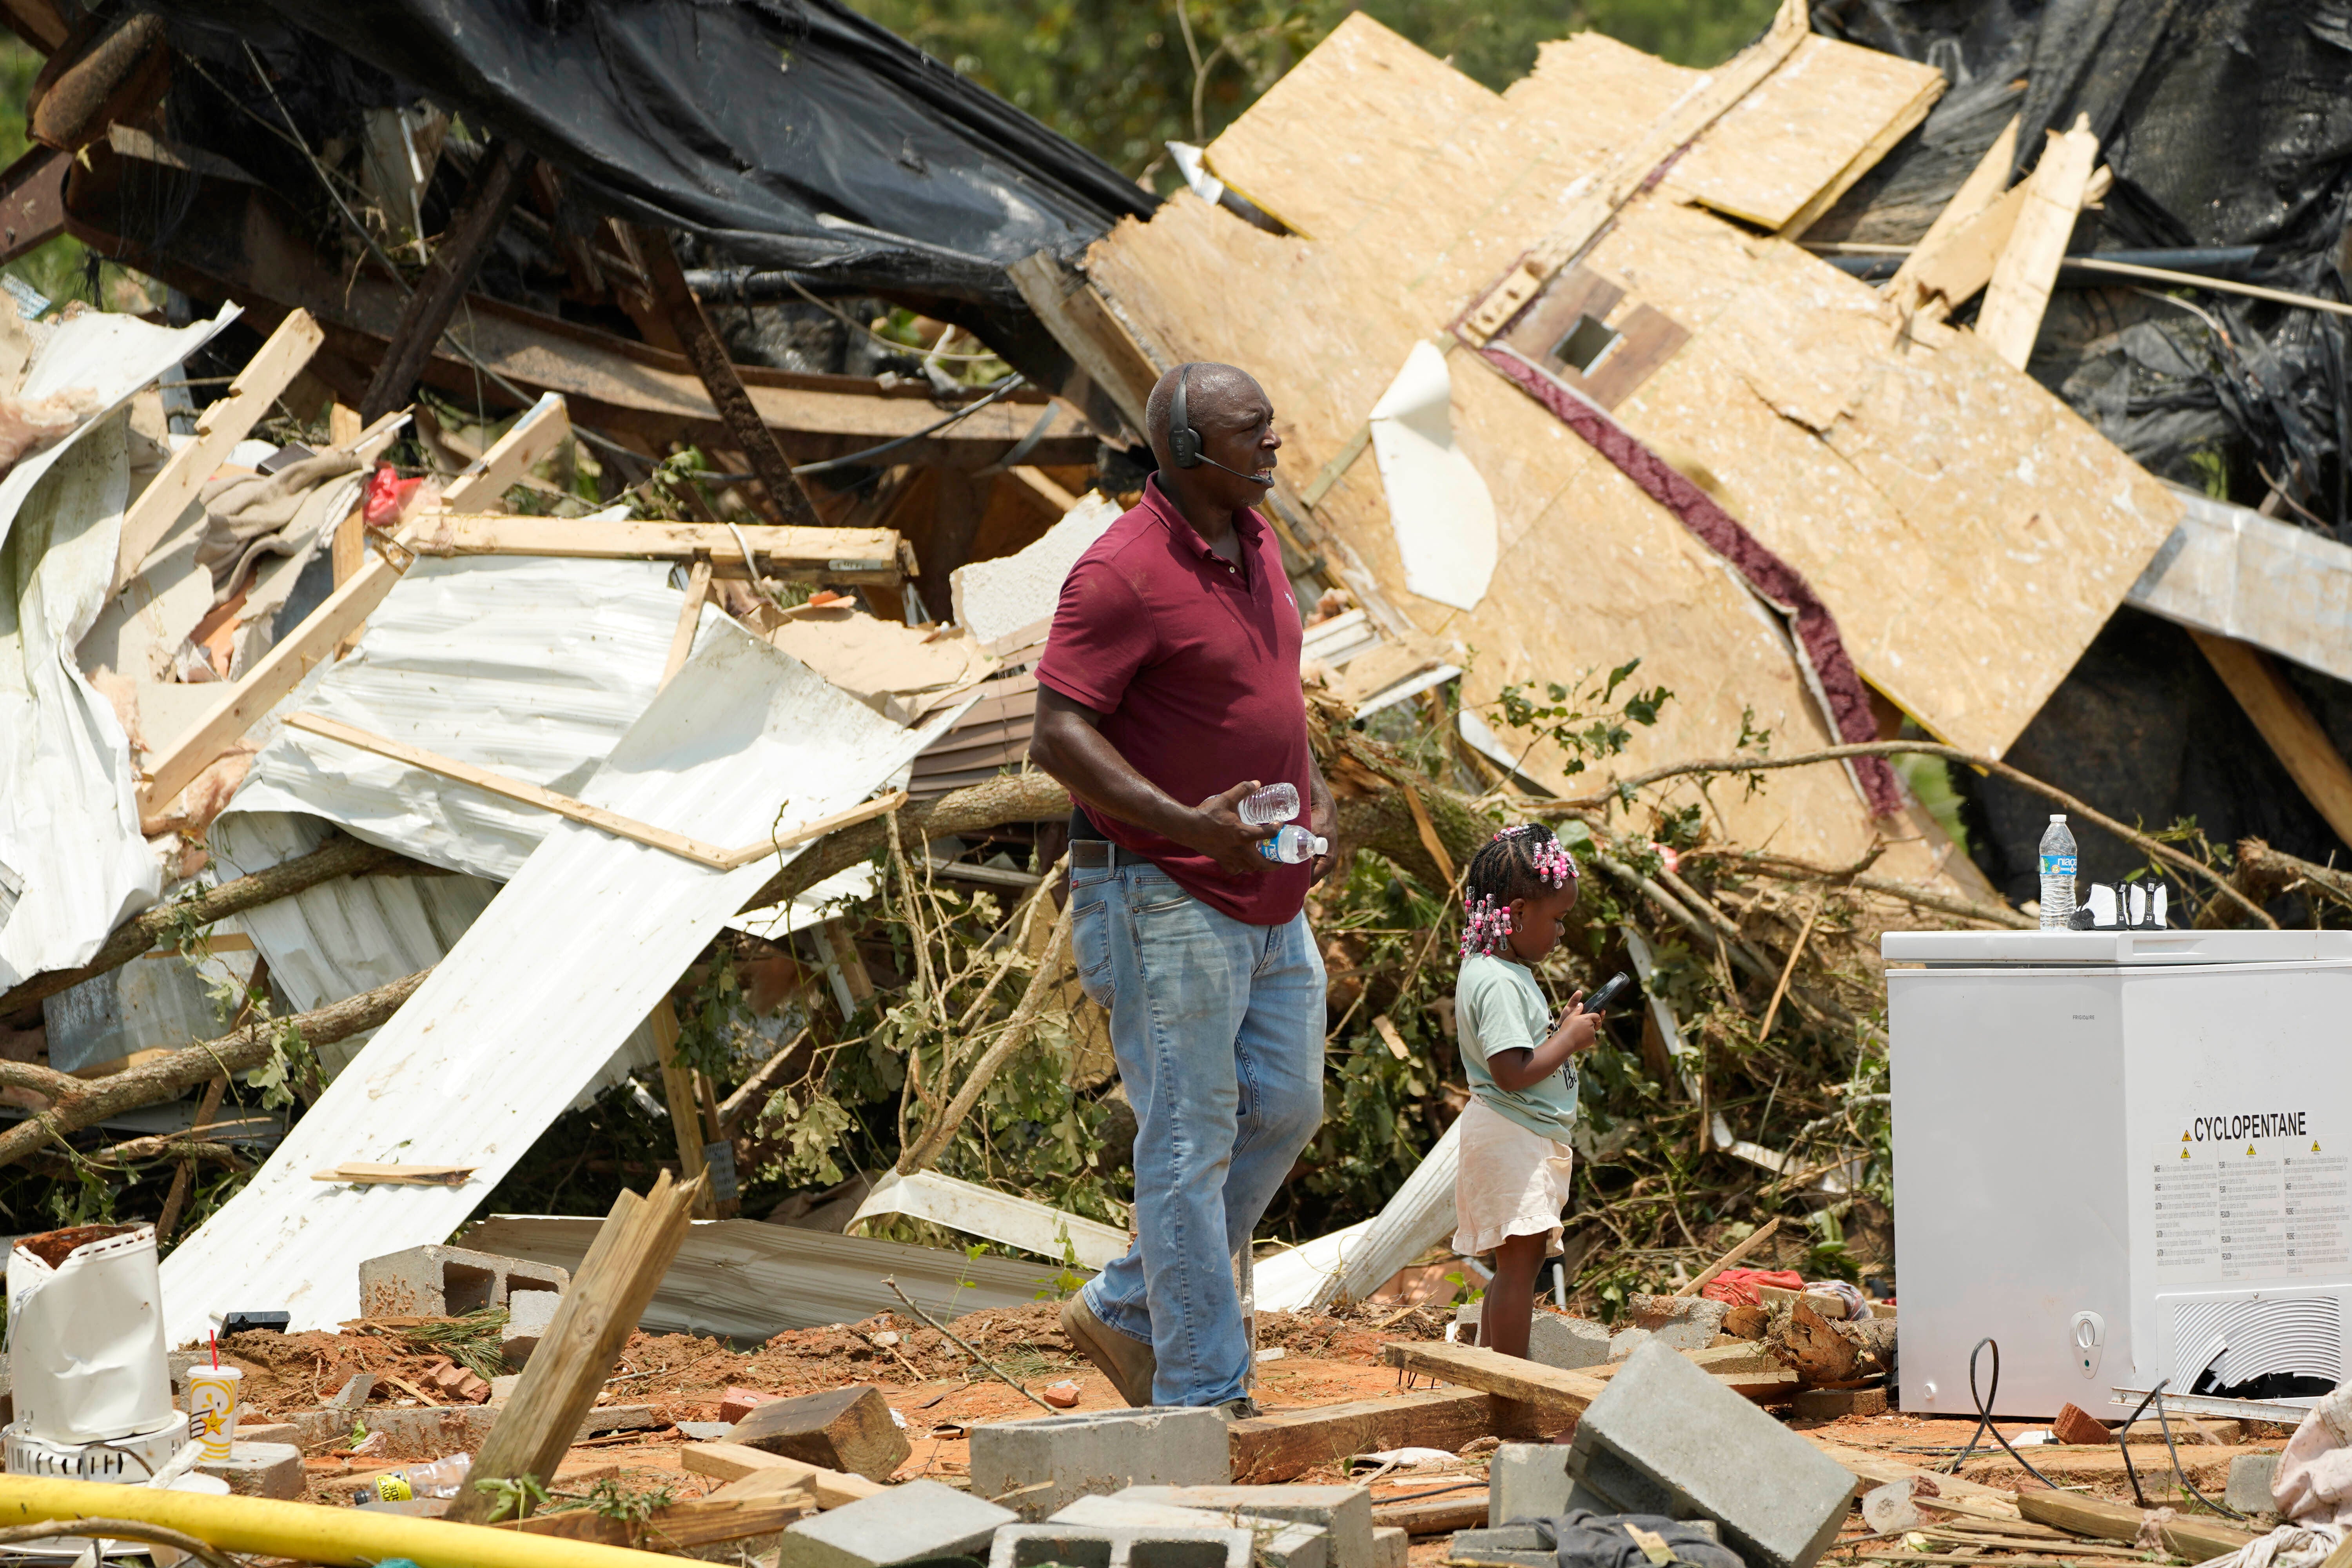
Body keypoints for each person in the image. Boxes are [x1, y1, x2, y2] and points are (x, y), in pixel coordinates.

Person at [1028, 361, 1336, 1413]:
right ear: (1192, 452)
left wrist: (1318, 796)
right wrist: (1185, 825)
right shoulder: (1119, 573)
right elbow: (1059, 734)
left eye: (1271, 424)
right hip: (1161, 891)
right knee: (1186, 1137)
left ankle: (1126, 1305)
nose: (1274, 444)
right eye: (1253, 431)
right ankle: (1203, 1392)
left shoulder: (1257, 540)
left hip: (1266, 892)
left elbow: (1274, 696)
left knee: (1287, 1109)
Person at [1451, 823, 1599, 1360]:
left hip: (1520, 1133)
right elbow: (1512, 1071)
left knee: (1516, 1266)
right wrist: (1569, 1039)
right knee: (1521, 1268)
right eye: (1557, 920)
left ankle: (1493, 1375)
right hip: (1515, 1133)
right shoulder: (1497, 981)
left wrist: (1558, 1032)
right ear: (1514, 913)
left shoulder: (1501, 970)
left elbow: (1520, 1051)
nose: (1561, 933)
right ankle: (1509, 1388)